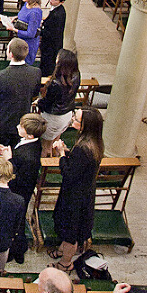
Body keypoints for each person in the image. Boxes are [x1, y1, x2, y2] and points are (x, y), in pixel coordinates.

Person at [50, 105, 104, 272]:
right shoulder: (94, 143)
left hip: (75, 197)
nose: (73, 119)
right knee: (68, 229)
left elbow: (69, 173)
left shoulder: (83, 149)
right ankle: (62, 250)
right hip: (82, 192)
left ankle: (65, 263)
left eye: (76, 119)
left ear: (85, 125)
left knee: (70, 232)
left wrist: (61, 154)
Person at [0, 112, 45, 264]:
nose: (17, 127)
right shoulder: (30, 143)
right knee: (17, 221)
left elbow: (18, 180)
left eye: (21, 127)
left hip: (19, 192)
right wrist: (6, 152)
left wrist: (8, 160)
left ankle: (15, 250)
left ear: (30, 135)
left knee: (14, 222)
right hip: (21, 188)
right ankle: (18, 248)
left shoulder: (29, 156)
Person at [0, 38, 42, 150]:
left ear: (10, 54)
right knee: (16, 150)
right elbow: (35, 93)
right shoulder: (36, 72)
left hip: (2, 122)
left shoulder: (1, 76)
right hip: (22, 120)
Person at [38, 49, 81, 156]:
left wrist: (39, 102)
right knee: (56, 140)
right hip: (67, 114)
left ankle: (45, 166)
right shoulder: (76, 75)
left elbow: (47, 103)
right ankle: (57, 155)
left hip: (54, 117)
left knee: (46, 145)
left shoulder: (56, 84)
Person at [5, 0, 44, 64]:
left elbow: (30, 34)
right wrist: (15, 17)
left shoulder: (35, 12)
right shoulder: (26, 3)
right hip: (20, 40)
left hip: (28, 45)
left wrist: (14, 29)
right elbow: (23, 15)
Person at [39, 0, 68, 77]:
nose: (51, 0)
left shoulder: (58, 14)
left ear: (61, 2)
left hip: (51, 46)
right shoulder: (56, 9)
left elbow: (51, 32)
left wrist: (40, 30)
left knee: (47, 66)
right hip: (50, 43)